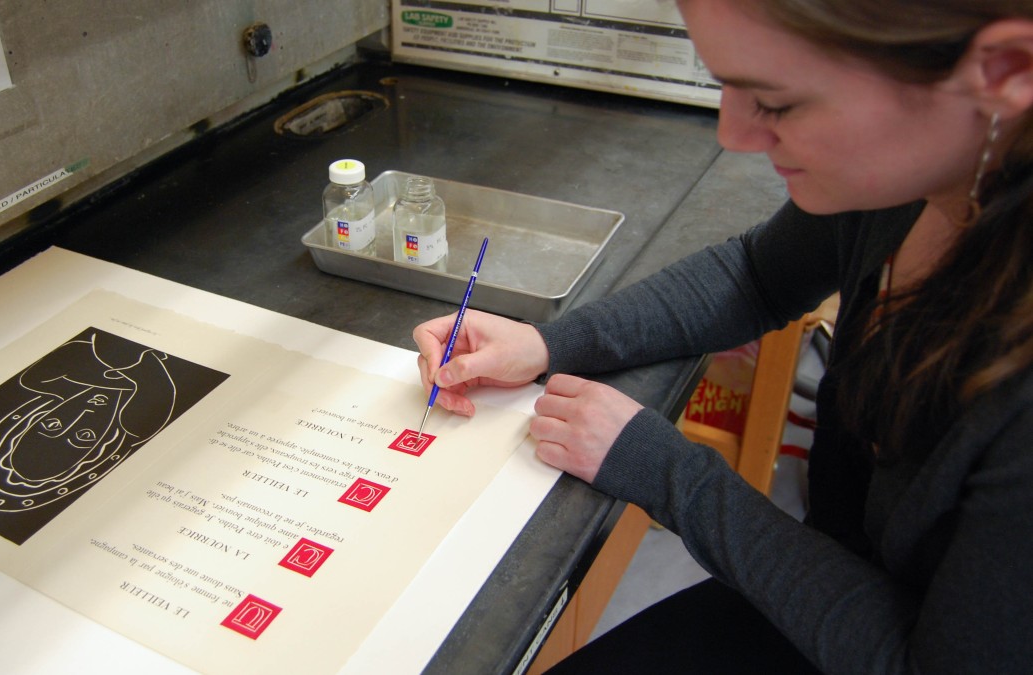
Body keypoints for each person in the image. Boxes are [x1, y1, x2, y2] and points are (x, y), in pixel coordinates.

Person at [412, 1, 1033, 673]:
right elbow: (759, 276)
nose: (732, 134)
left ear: (1004, 70)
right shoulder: (913, 183)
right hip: (842, 582)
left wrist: (669, 470)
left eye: (776, 101)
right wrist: (550, 343)